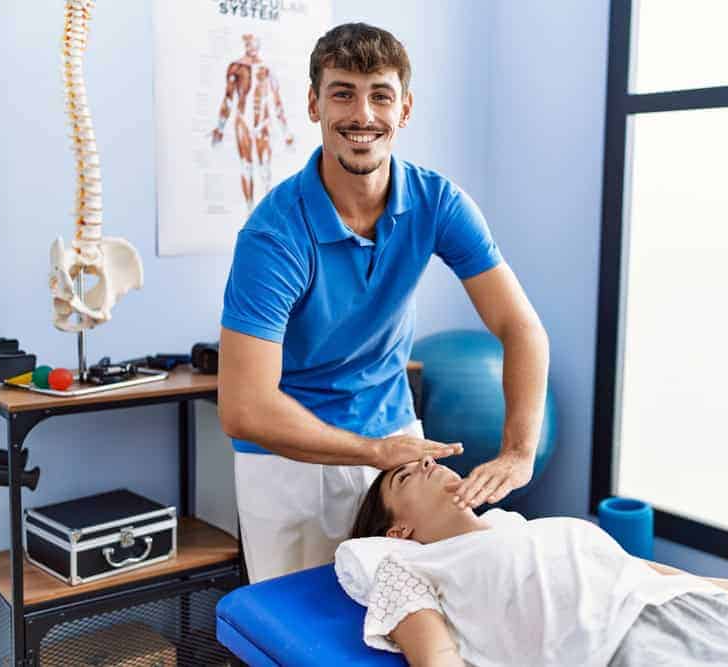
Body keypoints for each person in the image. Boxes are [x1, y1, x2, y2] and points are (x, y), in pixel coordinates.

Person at [218, 23, 550, 584]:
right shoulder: (274, 237)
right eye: (342, 92)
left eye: (380, 95)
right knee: (306, 637)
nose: (362, 114)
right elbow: (245, 408)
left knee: (421, 611)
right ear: (313, 103)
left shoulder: (437, 203)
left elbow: (520, 327)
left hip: (399, 452)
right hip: (292, 463)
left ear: (405, 108)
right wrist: (368, 450)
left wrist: (519, 452)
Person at [342, 457, 728, 667]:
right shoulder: (408, 567)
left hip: (701, 612)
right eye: (405, 474)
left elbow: (682, 579)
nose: (428, 463)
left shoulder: (534, 528)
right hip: (626, 651)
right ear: (400, 529)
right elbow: (438, 661)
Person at [211, 33, 296, 211]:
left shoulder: (267, 69)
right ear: (245, 44)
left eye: (254, 43)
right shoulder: (236, 67)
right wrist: (220, 127)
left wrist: (286, 132)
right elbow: (228, 98)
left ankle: (266, 212)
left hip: (262, 121)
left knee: (265, 166)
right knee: (246, 166)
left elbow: (277, 101)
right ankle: (250, 210)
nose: (252, 46)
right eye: (248, 43)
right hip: (243, 121)